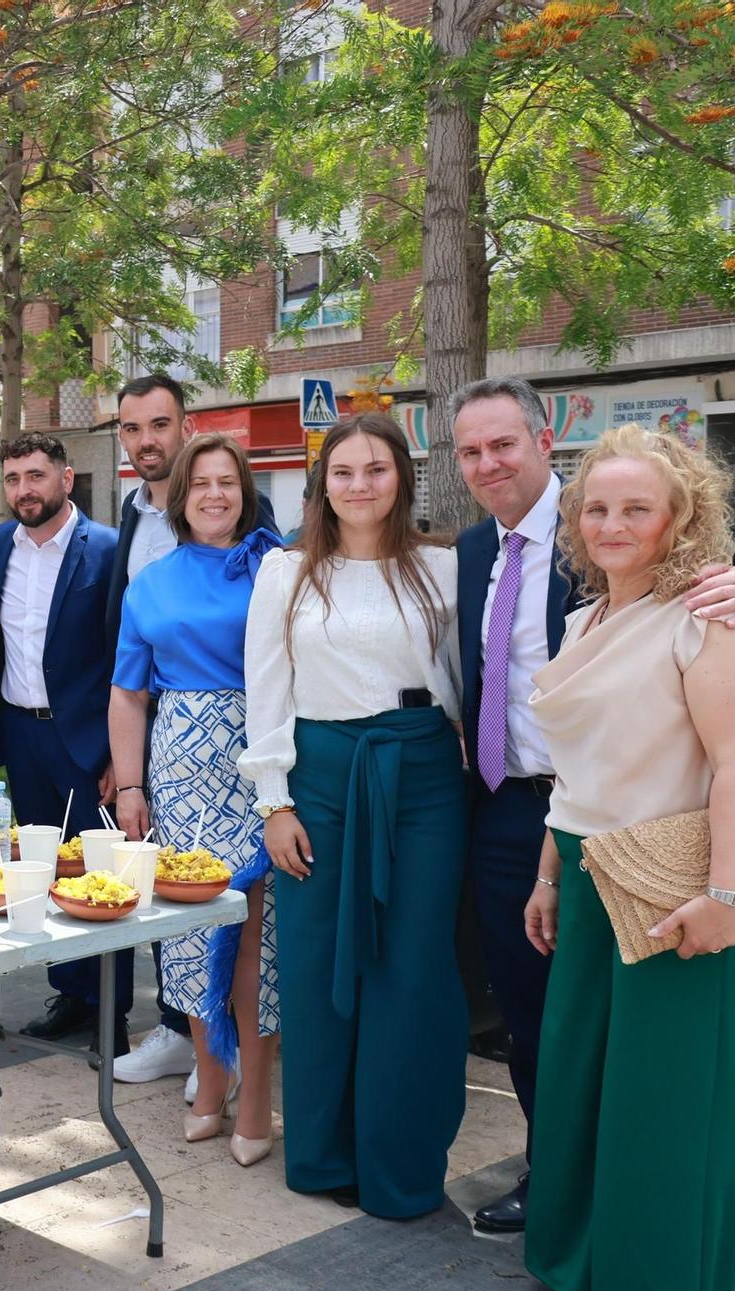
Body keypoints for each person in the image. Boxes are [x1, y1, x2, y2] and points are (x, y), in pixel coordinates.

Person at [449, 375, 735, 1234]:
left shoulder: (638, 528)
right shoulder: (472, 551)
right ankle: (552, 1175)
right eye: (470, 450)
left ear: (542, 437)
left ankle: (632, 1223)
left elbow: (721, 679)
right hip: (524, 817)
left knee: (642, 1059)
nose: (488, 464)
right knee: (542, 1022)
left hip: (651, 844)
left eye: (504, 444)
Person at [522, 426, 735, 1291]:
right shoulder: (585, 619)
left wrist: (728, 900)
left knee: (662, 1110)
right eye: (597, 507)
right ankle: (589, 1270)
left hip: (678, 892)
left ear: (680, 519)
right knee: (586, 1090)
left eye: (636, 508)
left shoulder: (711, 623)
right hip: (590, 881)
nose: (613, 524)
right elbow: (576, 775)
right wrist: (550, 873)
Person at [242, 413, 465, 1219]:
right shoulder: (287, 570)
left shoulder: (442, 566)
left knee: (412, 967)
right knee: (314, 964)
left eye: (376, 469)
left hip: (424, 774)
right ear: (321, 484)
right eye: (344, 472)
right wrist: (275, 802)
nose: (360, 484)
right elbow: (265, 687)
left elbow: (468, 679)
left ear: (401, 477)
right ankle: (324, 1152)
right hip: (323, 775)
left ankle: (399, 1162)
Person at [110, 434, 281, 1166]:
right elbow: (126, 693)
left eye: (229, 482)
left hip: (263, 757)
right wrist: (129, 785)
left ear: (246, 491)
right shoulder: (149, 580)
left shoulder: (280, 569)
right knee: (190, 932)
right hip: (178, 766)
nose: (216, 494)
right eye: (201, 482)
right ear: (179, 495)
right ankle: (209, 1075)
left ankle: (258, 1094)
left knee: (258, 934)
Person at [0, 432, 130, 1057]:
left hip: (85, 742)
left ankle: (112, 1017)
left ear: (66, 479)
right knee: (43, 873)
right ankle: (69, 994)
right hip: (20, 734)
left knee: (100, 878)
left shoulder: (106, 550)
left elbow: (122, 653)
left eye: (36, 476)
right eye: (13, 479)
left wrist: (118, 757)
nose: (24, 490)